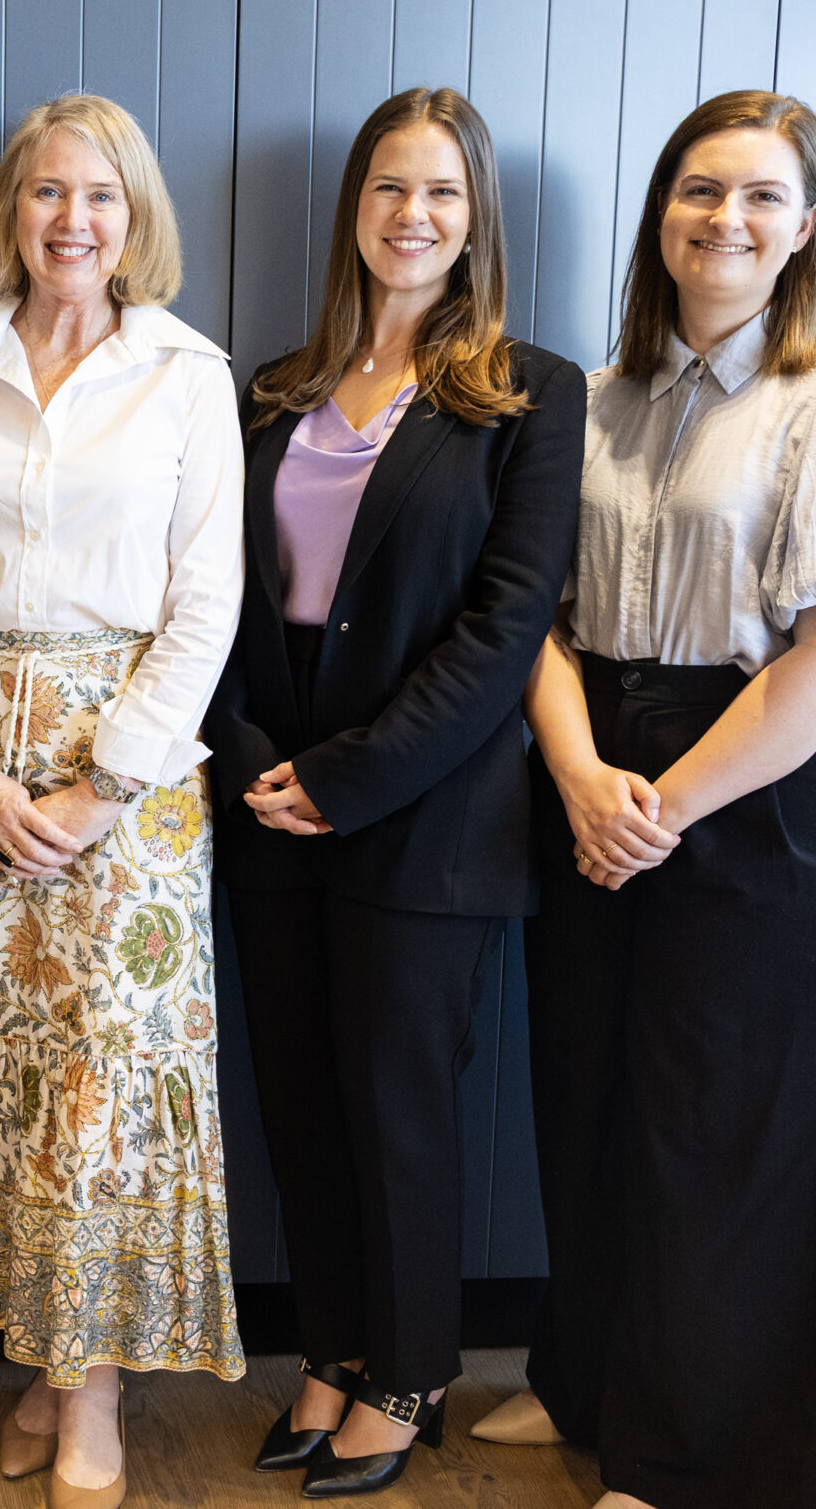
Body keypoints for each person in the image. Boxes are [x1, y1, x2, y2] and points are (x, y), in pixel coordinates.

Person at [483, 91, 816, 1509]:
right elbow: (539, 624)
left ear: (806, 227)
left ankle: (699, 1465)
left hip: (765, 794)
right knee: (593, 1107)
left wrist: (666, 806)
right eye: (701, 190)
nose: (727, 219)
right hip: (596, 773)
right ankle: (587, 1392)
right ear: (662, 212)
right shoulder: (596, 402)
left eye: (763, 196)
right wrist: (583, 779)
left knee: (730, 1139)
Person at [0, 93, 247, 1509]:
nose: (71, 220)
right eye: (46, 192)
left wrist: (101, 788)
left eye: (100, 195)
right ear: (10, 212)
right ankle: (45, 1361)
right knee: (0, 1084)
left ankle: (94, 1393)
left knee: (101, 1080)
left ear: (135, 218)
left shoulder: (188, 375)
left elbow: (205, 606)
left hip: (127, 789)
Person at [203, 88, 584, 1497]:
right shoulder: (271, 388)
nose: (410, 216)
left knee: (399, 1107)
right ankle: (333, 1353)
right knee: (301, 1104)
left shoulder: (531, 394)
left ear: (475, 219)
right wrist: (252, 758)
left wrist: (351, 779)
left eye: (440, 193)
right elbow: (215, 594)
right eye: (387, 188)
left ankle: (412, 1372)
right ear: (353, 209)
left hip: (427, 808)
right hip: (270, 793)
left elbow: (507, 624)